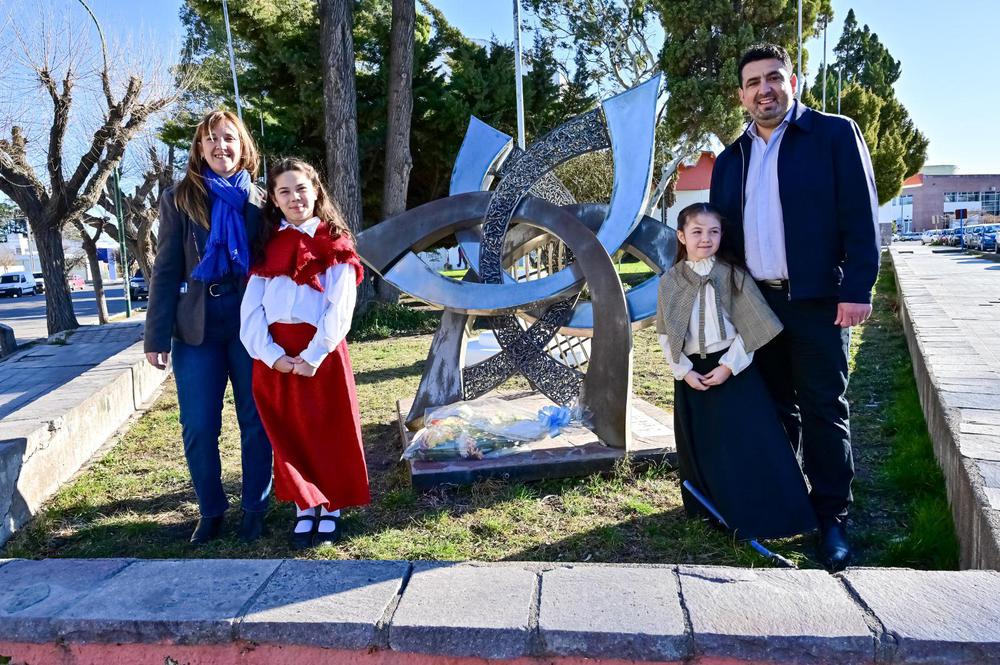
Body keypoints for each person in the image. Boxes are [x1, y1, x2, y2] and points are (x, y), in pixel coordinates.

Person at [709, 43, 881, 570]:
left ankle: (832, 516)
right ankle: (787, 500)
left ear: (794, 81)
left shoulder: (833, 135)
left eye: (774, 78)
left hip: (818, 302)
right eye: (754, 82)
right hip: (755, 305)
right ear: (741, 96)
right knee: (775, 406)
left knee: (824, 407)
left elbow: (861, 216)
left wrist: (857, 289)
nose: (765, 89)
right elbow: (722, 240)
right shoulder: (729, 160)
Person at [144, 110, 272, 544]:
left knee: (256, 422)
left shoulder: (261, 201)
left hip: (251, 326)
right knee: (199, 425)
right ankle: (212, 509)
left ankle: (256, 505)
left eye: (229, 139)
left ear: (243, 146)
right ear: (200, 148)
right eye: (211, 139)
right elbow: (164, 271)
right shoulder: (179, 199)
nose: (221, 146)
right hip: (196, 330)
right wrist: (155, 336)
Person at [656, 202, 816, 541]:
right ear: (681, 236)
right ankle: (711, 512)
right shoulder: (670, 282)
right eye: (697, 231)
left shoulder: (733, 275)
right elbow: (665, 333)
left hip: (734, 370)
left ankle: (761, 510)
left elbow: (753, 328)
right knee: (706, 445)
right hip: (692, 377)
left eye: (713, 231)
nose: (706, 238)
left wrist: (729, 366)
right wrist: (683, 371)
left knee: (746, 443)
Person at [240, 158, 370, 549]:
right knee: (288, 431)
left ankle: (330, 506)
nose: (295, 197)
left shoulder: (334, 243)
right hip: (275, 356)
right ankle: (304, 505)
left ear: (316, 191)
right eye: (284, 191)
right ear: (274, 200)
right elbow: (251, 311)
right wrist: (271, 355)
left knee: (326, 427)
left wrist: (313, 355)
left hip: (321, 353)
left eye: (301, 188)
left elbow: (340, 307)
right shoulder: (267, 248)